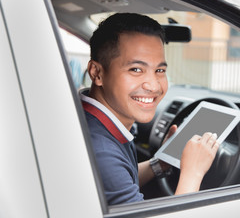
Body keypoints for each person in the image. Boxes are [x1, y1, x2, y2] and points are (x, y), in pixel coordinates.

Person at [80, 13, 219, 205]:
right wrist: (193, 172)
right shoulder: (101, 153)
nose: (154, 86)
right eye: (136, 69)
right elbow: (110, 171)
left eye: (159, 71)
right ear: (97, 73)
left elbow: (120, 180)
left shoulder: (89, 117)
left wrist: (161, 162)